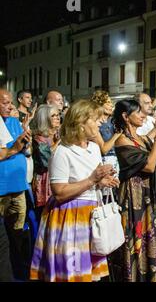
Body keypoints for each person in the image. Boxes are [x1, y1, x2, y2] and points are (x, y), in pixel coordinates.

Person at [30, 99, 119, 282]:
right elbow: (59, 192)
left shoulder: (94, 148)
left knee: (88, 274)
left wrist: (103, 181)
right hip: (70, 217)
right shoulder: (63, 151)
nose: (101, 122)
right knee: (72, 273)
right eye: (95, 119)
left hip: (91, 214)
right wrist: (92, 179)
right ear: (80, 123)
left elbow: (90, 181)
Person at [113, 99, 156, 282]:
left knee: (153, 237)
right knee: (136, 238)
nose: (143, 115)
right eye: (138, 112)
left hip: (150, 195)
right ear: (125, 116)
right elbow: (149, 166)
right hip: (134, 197)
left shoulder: (143, 138)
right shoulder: (122, 140)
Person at [0, 89, 31, 280]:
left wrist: (25, 143)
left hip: (18, 187)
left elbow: (25, 149)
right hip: (1, 190)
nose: (10, 106)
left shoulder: (13, 122)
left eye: (10, 102)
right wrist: (15, 149)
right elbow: (10, 150)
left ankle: (17, 271)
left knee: (17, 235)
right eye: (5, 103)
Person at [30, 105, 61, 219]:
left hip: (59, 176)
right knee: (45, 215)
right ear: (44, 118)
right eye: (53, 115)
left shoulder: (59, 134)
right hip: (45, 179)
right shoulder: (39, 139)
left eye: (58, 115)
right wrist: (58, 143)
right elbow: (45, 159)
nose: (57, 118)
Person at [91, 90, 121, 175]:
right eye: (108, 103)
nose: (111, 105)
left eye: (111, 102)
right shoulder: (94, 123)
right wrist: (117, 134)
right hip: (103, 162)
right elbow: (104, 150)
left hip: (116, 160)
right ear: (99, 105)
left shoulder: (113, 121)